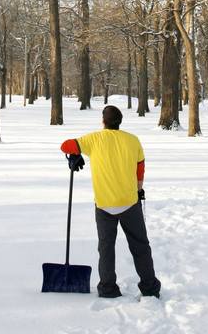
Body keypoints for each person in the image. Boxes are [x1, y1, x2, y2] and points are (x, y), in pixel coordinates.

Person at [60, 104, 161, 299]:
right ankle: (150, 288)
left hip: (104, 204)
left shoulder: (93, 139)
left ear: (103, 121)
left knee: (106, 247)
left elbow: (65, 145)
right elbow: (140, 169)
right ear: (120, 122)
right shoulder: (133, 140)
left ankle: (107, 288)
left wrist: (76, 154)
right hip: (130, 202)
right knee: (140, 245)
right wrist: (138, 189)